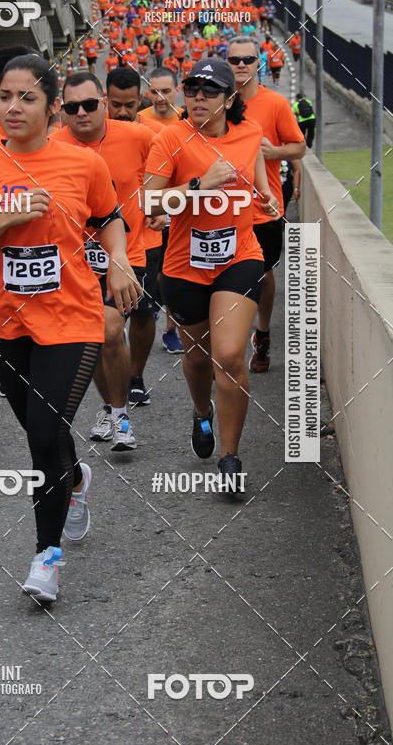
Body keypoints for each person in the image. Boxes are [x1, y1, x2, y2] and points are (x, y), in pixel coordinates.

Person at [0, 48, 140, 601]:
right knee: (39, 432)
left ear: (52, 107)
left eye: (27, 97)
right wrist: (7, 216)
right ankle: (73, 480)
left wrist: (118, 259)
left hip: (73, 319)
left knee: (45, 433)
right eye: (5, 96)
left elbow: (109, 219)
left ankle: (45, 558)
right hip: (8, 322)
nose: (13, 106)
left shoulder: (82, 163)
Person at [145, 58, 279, 496]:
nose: (198, 97)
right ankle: (201, 411)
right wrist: (200, 185)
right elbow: (149, 205)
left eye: (209, 91)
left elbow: (255, 169)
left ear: (228, 98)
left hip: (239, 256)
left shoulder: (250, 133)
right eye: (192, 89)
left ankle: (230, 456)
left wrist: (264, 198)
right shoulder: (171, 138)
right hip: (185, 266)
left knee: (228, 355)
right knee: (199, 357)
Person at [54, 71, 152, 447]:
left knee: (109, 328)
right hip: (73, 260)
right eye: (71, 107)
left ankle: (122, 415)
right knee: (88, 340)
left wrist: (163, 206)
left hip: (126, 253)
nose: (81, 113)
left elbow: (171, 167)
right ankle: (112, 410)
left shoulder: (138, 136)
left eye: (90, 105)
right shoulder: (51, 145)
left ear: (105, 105)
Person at [226, 37, 306, 373]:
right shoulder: (219, 103)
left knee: (264, 272)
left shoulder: (274, 104)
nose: (241, 65)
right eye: (234, 60)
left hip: (264, 207)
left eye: (248, 59)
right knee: (229, 273)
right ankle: (228, 342)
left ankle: (261, 334)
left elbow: (299, 147)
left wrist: (274, 152)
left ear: (259, 63)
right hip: (223, 207)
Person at [105, 67, 166, 405]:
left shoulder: (155, 135)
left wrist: (165, 211)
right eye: (116, 104)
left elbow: (174, 179)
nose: (124, 112)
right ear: (105, 99)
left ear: (140, 100)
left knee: (144, 313)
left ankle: (136, 376)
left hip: (148, 240)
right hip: (103, 246)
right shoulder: (96, 135)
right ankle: (110, 389)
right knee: (108, 324)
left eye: (130, 104)